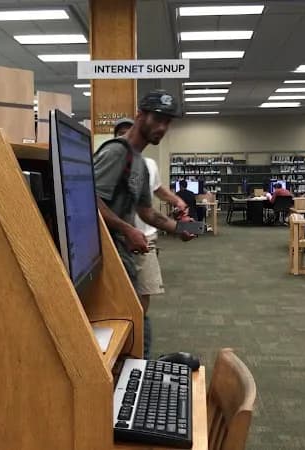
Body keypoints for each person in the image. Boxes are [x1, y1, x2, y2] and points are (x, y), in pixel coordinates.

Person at [93, 89, 194, 358]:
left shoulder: (139, 162)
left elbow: (147, 211)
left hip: (123, 253)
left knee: (136, 324)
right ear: (140, 116)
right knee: (132, 325)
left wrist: (180, 228)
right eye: (157, 119)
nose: (162, 127)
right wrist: (127, 229)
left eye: (167, 122)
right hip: (106, 255)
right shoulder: (117, 153)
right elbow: (89, 199)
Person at [133, 157, 187, 329]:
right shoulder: (112, 162)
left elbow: (158, 189)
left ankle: (137, 331)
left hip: (147, 238)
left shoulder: (149, 164)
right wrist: (177, 229)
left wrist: (177, 201)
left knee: (144, 289)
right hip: (119, 237)